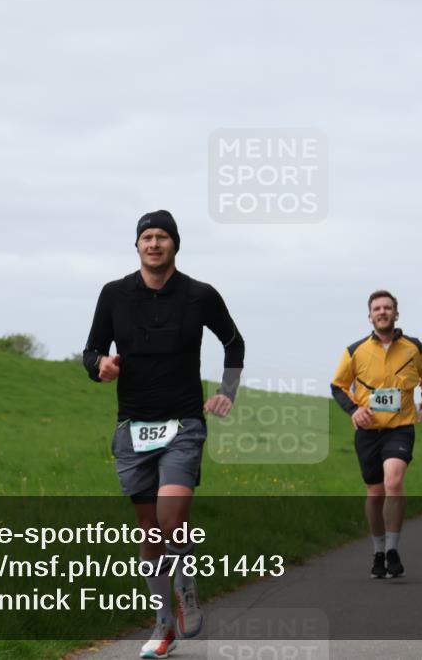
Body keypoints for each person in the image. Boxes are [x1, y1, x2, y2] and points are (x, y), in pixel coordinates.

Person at [82, 210, 245, 659]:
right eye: (147, 237)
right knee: (151, 534)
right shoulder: (114, 294)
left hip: (184, 423)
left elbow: (234, 342)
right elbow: (92, 349)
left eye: (162, 237)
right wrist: (100, 366)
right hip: (133, 427)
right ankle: (163, 623)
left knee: (172, 520)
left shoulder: (199, 295)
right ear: (137, 245)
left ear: (175, 244)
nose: (154, 244)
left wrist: (226, 391)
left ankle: (187, 587)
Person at [331, 290, 422, 579]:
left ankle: (392, 549)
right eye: (377, 308)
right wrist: (354, 409)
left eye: (387, 307)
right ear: (370, 316)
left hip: (400, 428)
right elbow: (337, 386)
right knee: (375, 492)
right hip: (368, 431)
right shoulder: (355, 351)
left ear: (396, 313)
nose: (382, 312)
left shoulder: (413, 347)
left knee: (394, 480)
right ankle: (378, 551)